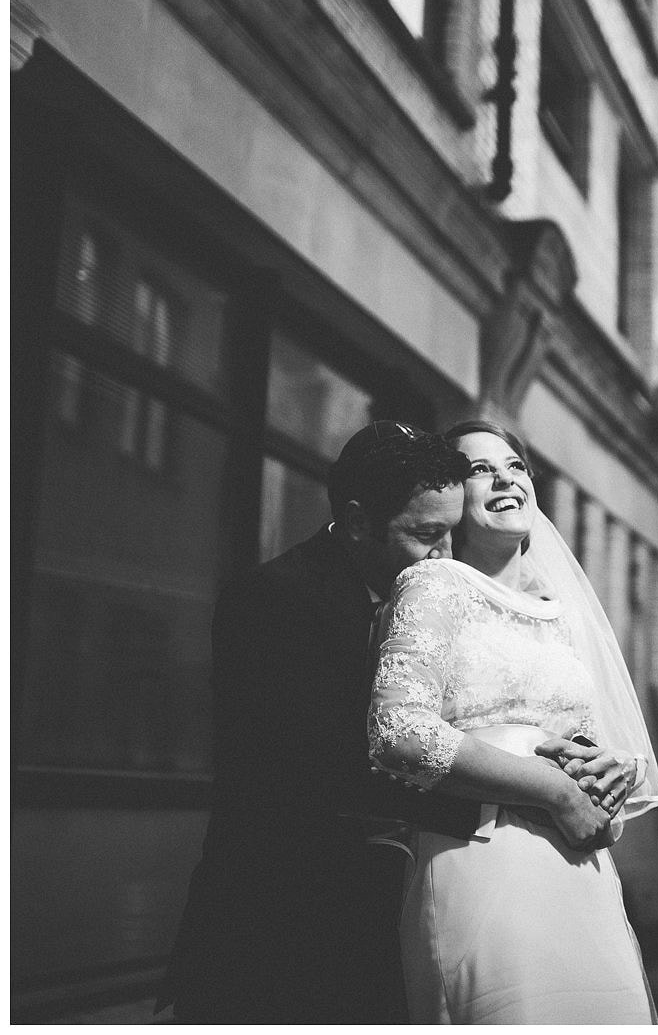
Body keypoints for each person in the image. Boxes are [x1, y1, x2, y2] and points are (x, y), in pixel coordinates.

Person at [160, 421, 629, 1023]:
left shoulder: (448, 599)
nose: (442, 555)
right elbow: (317, 770)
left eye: (451, 533)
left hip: (390, 917)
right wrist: (535, 798)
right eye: (429, 535)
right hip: (282, 922)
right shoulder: (276, 600)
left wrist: (582, 764)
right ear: (358, 522)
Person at [369, 418, 658, 1023]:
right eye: (480, 468)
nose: (505, 478)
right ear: (452, 498)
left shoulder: (565, 615)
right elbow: (397, 733)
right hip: (481, 860)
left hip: (581, 873)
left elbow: (598, 748)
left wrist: (612, 774)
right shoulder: (434, 587)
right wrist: (555, 790)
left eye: (516, 467)